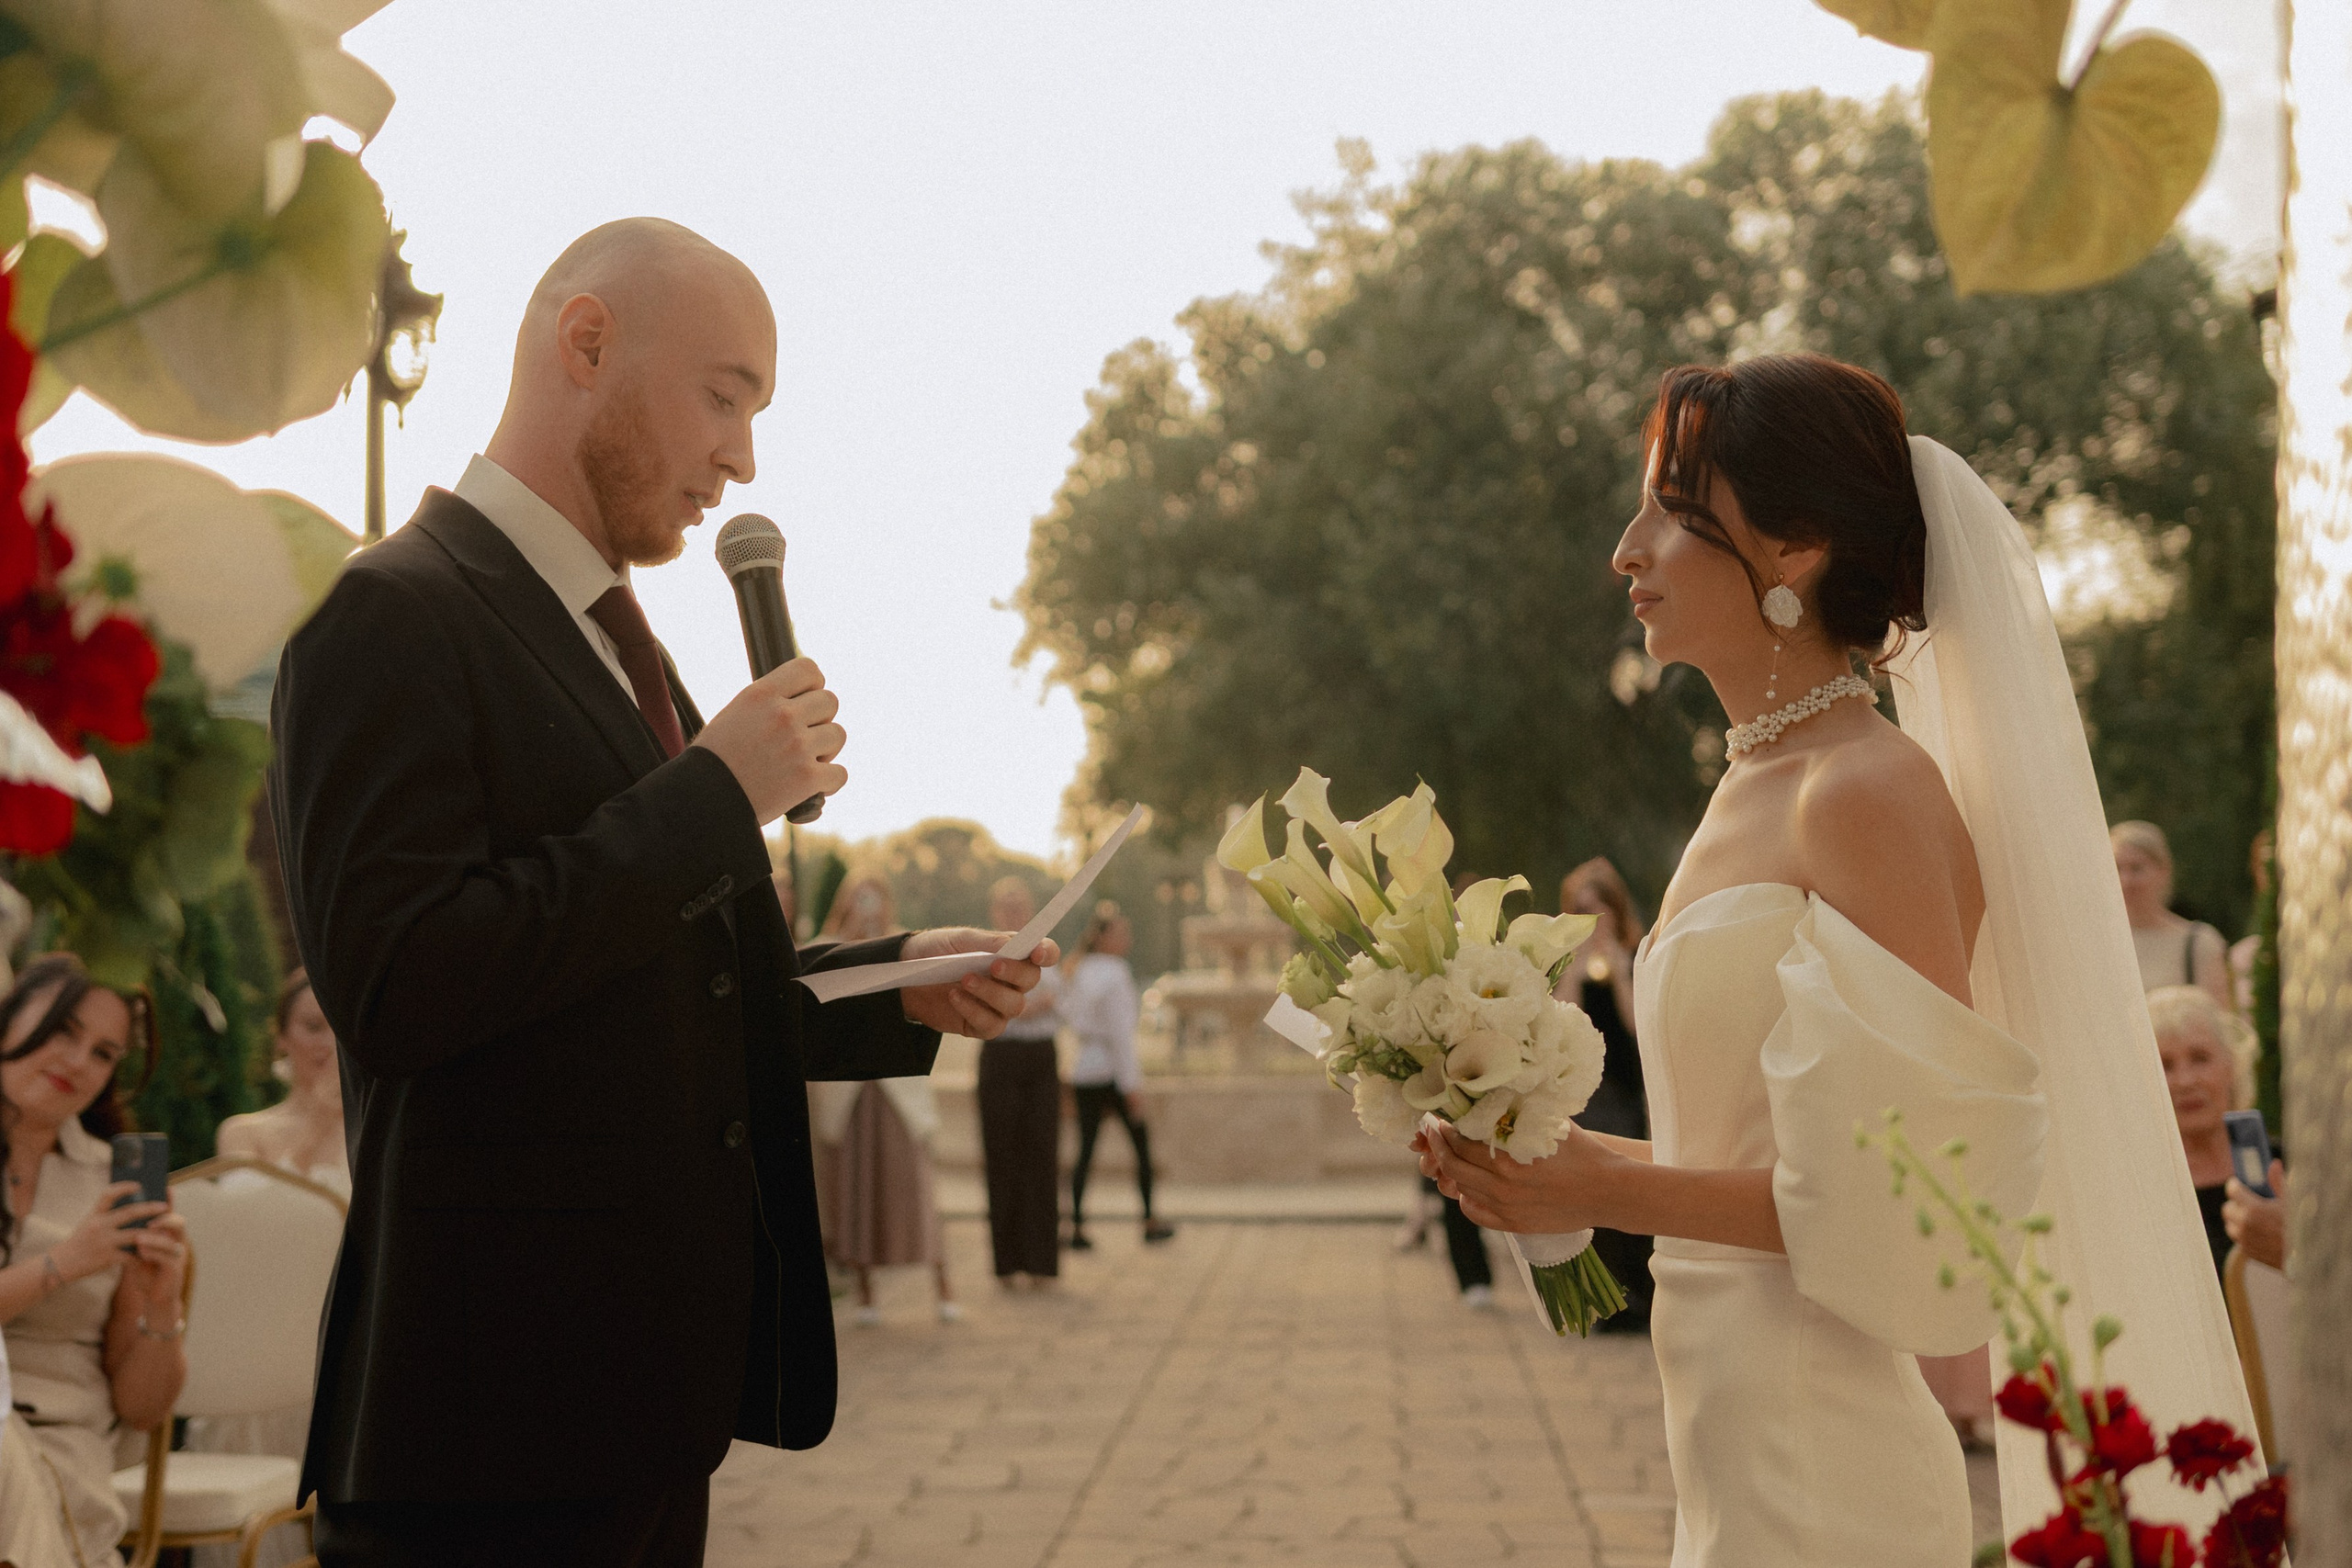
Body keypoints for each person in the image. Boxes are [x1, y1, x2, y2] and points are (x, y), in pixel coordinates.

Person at [269, 218, 1054, 1568]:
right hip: (481, 1433)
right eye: (725, 395)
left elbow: (664, 974)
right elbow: (401, 983)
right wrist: (709, 793)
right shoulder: (393, 612)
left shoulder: (616, 642)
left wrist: (900, 978)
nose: (742, 457)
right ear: (587, 342)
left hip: (643, 1409)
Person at [1420, 354, 2257, 1560]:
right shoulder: (1754, 780)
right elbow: (1764, 1150)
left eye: (1669, 503)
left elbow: (1909, 1199)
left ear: (1798, 544)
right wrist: (1558, 1157)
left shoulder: (1863, 791)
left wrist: (1599, 1188)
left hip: (1826, 1459)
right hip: (1730, 1432)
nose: (1627, 547)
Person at [0, 954, 187, 1568]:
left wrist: (163, 1304)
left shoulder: (110, 1185)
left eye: (104, 1053)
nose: (79, 1063)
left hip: (63, 1450)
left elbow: (141, 1407)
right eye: (64, 1030)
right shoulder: (88, 1235)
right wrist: (64, 1261)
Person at [810, 875, 957, 1327]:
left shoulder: (904, 945)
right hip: (849, 1092)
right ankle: (866, 1294)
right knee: (856, 1194)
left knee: (914, 1187)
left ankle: (943, 1288)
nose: (867, 902)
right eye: (859, 895)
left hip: (896, 1090)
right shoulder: (825, 949)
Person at [1557, 858, 1654, 1331]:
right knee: (1592, 1192)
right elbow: (1563, 1018)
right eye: (1581, 911)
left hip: (1625, 1083)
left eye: (1599, 911)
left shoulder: (1635, 954)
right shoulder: (1568, 961)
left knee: (1630, 1183)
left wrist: (1617, 968)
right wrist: (1575, 964)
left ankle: (1640, 1297)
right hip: (1588, 1091)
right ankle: (1607, 1302)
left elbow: (1639, 1027)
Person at [1064, 903, 1174, 1249]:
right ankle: (1148, 1218)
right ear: (1104, 937)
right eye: (1121, 932)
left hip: (1085, 1068)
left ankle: (1078, 1225)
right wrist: (1132, 1086)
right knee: (1140, 1145)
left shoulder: (1078, 970)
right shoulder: (1115, 972)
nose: (1127, 939)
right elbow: (1121, 1036)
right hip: (1110, 1069)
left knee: (1085, 1150)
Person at [977, 876, 1063, 1289]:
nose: (1012, 911)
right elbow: (987, 1005)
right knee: (1001, 1159)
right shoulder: (980, 954)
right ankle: (1007, 1264)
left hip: (1040, 1059)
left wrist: (1019, 1007)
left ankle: (1042, 1264)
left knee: (1042, 1158)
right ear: (995, 911)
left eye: (1019, 904)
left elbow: (1060, 1004)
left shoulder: (1047, 952)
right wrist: (1029, 1006)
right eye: (1005, 905)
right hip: (1000, 1059)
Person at [2147, 985, 2264, 1282]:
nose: (2185, 1080)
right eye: (2165, 1065)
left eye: (2200, 1058)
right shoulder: (2145, 1191)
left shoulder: (2287, 1167)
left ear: (2231, 1065)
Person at [215, 969, 349, 1195]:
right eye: (314, 1027)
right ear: (281, 1037)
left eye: (342, 1029)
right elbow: (250, 1217)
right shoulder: (244, 1134)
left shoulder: (377, 1130)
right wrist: (317, 1126)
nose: (330, 1043)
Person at [2112, 819, 2233, 1010]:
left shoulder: (2200, 944)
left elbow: (2218, 1024)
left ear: (2163, 871)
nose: (2125, 881)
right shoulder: (2095, 942)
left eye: (2136, 868)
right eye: (2117, 869)